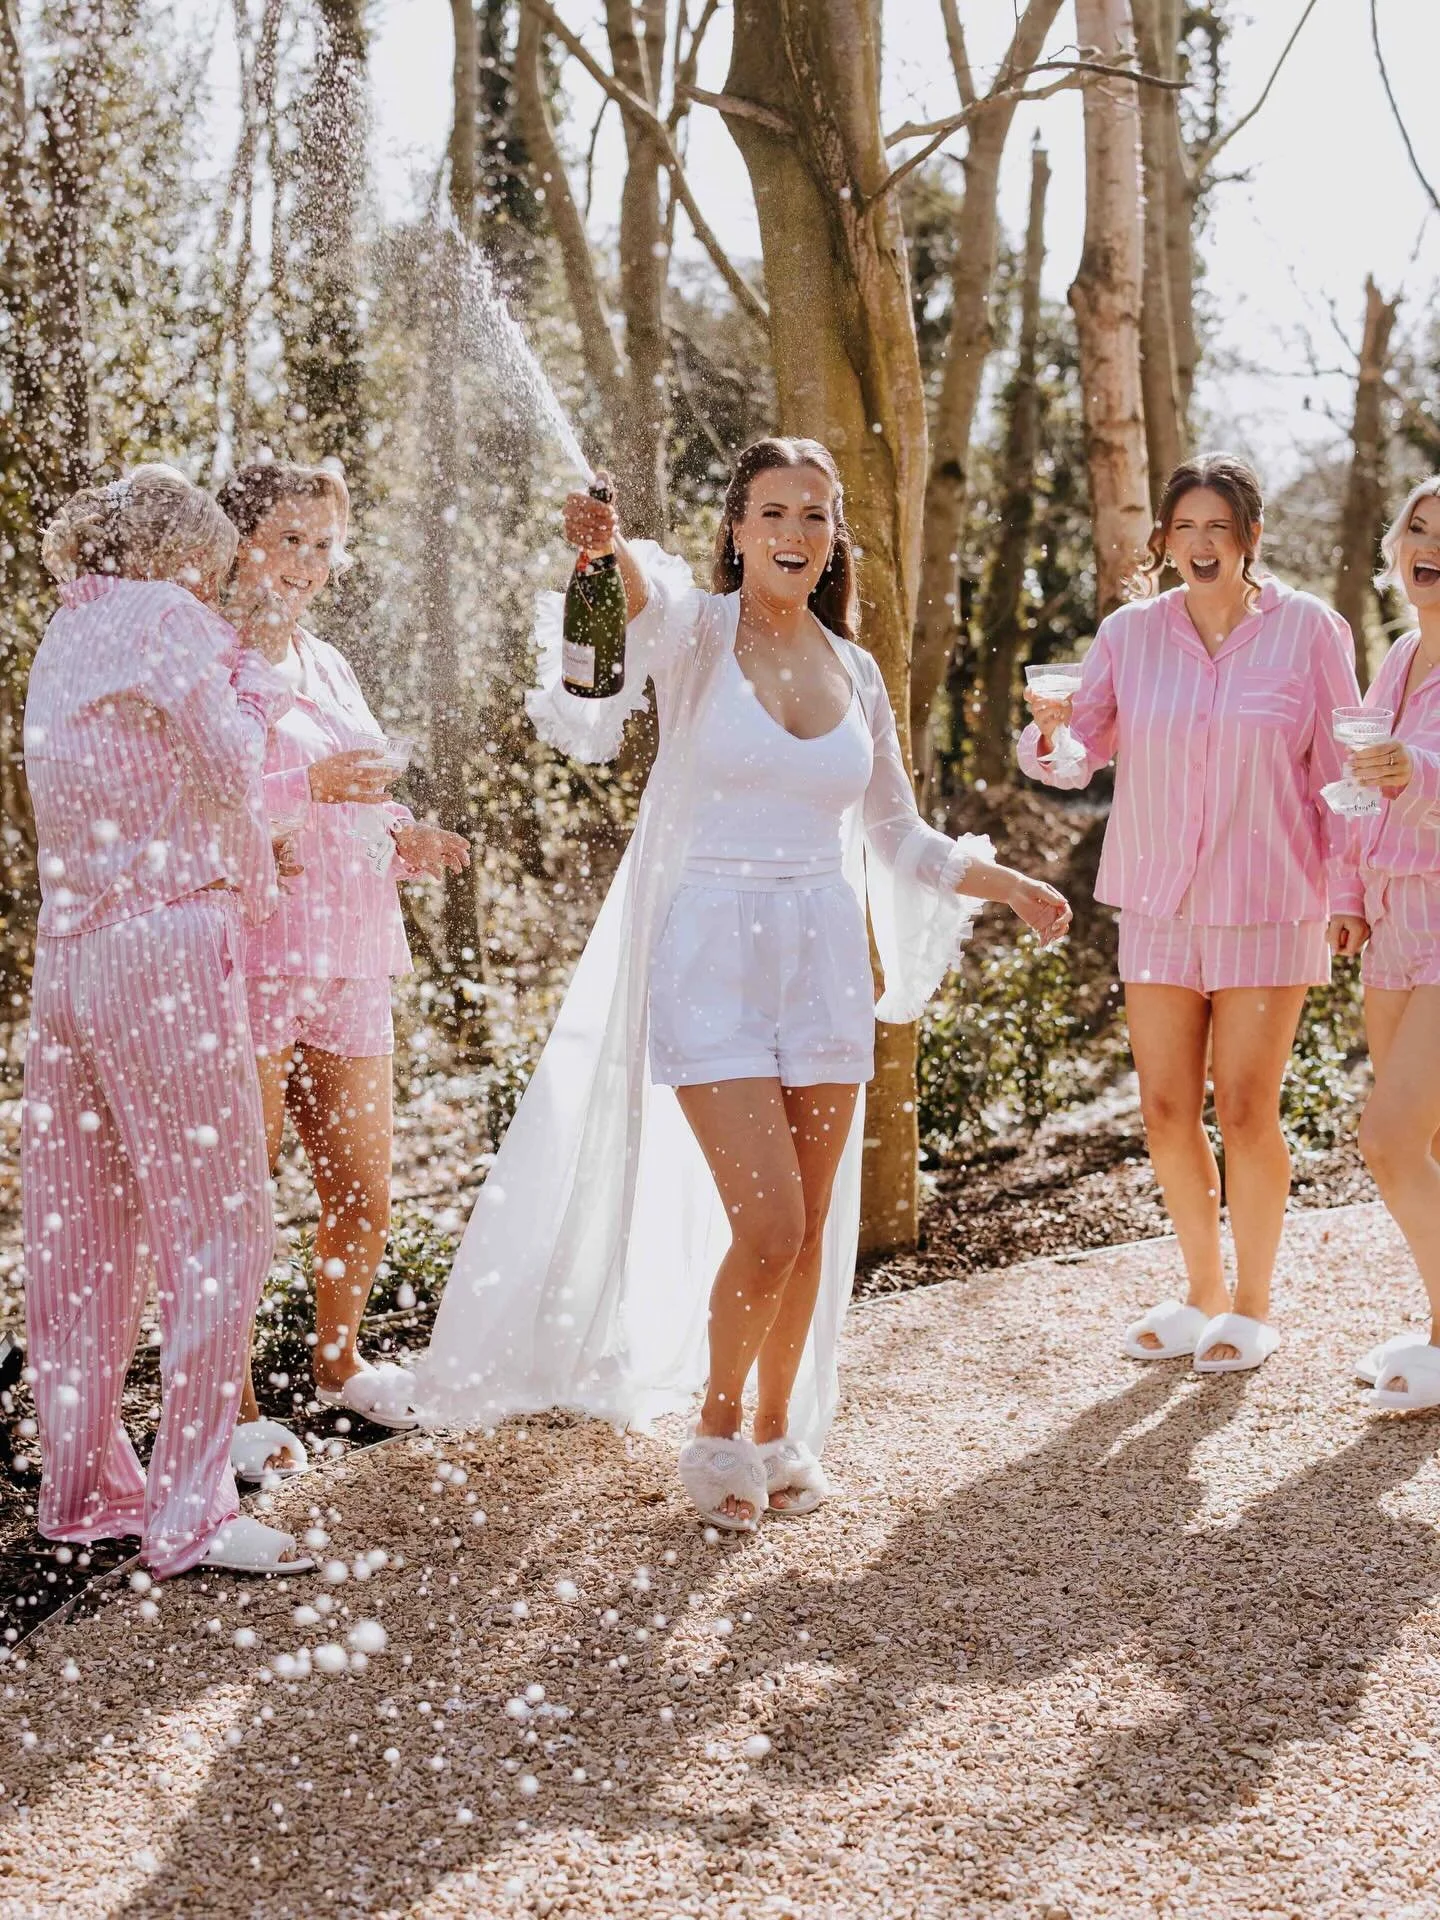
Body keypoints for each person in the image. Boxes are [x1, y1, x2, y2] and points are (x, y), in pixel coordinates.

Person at [415, 437, 1070, 1528]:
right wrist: (605, 542)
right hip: (710, 950)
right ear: (736, 528)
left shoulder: (854, 668)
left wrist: (1000, 882)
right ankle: (715, 1431)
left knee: (813, 1228)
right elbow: (625, 611)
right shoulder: (699, 631)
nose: (795, 534)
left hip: (821, 959)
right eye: (773, 512)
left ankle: (778, 1435)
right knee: (767, 1221)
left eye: (815, 516)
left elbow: (894, 829)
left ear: (833, 537)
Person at [22, 464, 310, 1577]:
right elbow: (233, 767)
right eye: (217, 556)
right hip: (162, 953)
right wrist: (258, 682)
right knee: (219, 1224)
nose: (227, 573)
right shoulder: (172, 618)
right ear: (182, 551)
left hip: (73, 960)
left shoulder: (68, 631)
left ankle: (86, 1486)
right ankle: (193, 1510)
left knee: (82, 1236)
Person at [1020, 452, 1363, 1373]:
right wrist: (1049, 729)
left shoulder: (1311, 634)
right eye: (1185, 529)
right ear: (1164, 542)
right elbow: (1075, 753)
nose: (1201, 544)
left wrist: (1352, 893)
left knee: (1247, 1112)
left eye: (1219, 528)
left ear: (1250, 538)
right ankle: (1201, 1290)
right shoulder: (1130, 635)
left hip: (1268, 903)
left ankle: (1252, 1307)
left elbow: (1344, 776)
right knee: (1168, 1112)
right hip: (1160, 903)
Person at [214, 461, 470, 1479]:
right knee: (238, 1195)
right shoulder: (209, 656)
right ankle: (225, 1407)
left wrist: (407, 834)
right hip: (255, 954)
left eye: (323, 544)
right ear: (237, 542)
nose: (307, 564)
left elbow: (354, 793)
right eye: (287, 539)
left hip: (356, 952)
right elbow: (203, 793)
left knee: (363, 1188)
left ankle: (340, 1365)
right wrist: (304, 780)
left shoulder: (327, 661)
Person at [1338, 479, 1440, 1408]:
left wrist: (1421, 769)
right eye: (1417, 527)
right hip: (1390, 924)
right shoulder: (1401, 655)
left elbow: (1414, 778)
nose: (1429, 544)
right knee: (1429, 1140)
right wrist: (1347, 897)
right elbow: (1358, 785)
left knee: (1388, 1141)